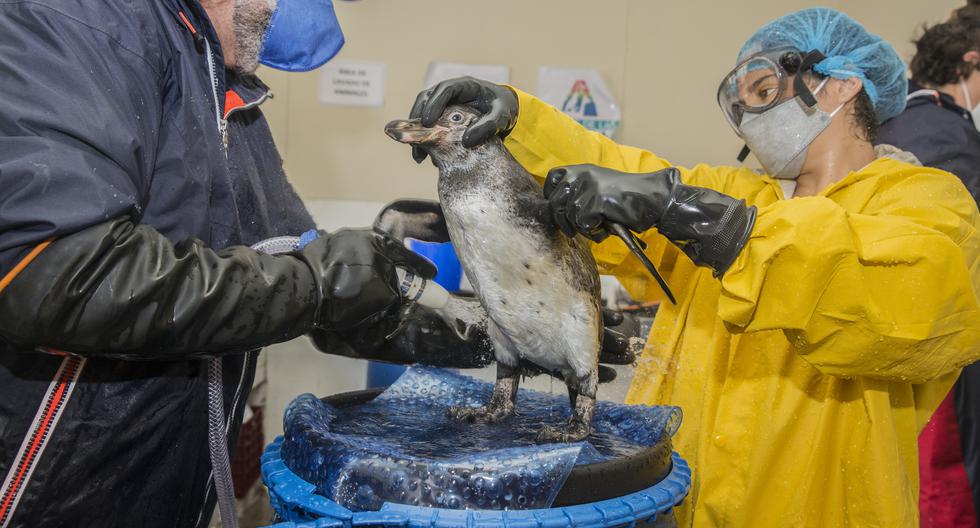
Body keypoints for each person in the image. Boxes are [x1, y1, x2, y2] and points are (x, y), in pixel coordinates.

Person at [0, 1, 636, 526]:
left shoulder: (223, 91)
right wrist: (320, 284)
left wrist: (466, 329)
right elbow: (54, 273)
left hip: (155, 482)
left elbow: (286, 264)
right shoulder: (82, 21)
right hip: (43, 492)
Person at [409, 7, 980, 526]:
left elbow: (903, 297)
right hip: (674, 504)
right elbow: (614, 167)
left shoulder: (926, 202)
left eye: (763, 89)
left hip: (824, 509)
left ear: (840, 84)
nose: (750, 115)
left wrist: (718, 226)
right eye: (739, 103)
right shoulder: (733, 190)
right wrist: (516, 120)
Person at [876, 15, 980, 527]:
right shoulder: (948, 135)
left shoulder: (897, 122)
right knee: (942, 486)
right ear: (971, 63)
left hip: (893, 338)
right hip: (938, 349)